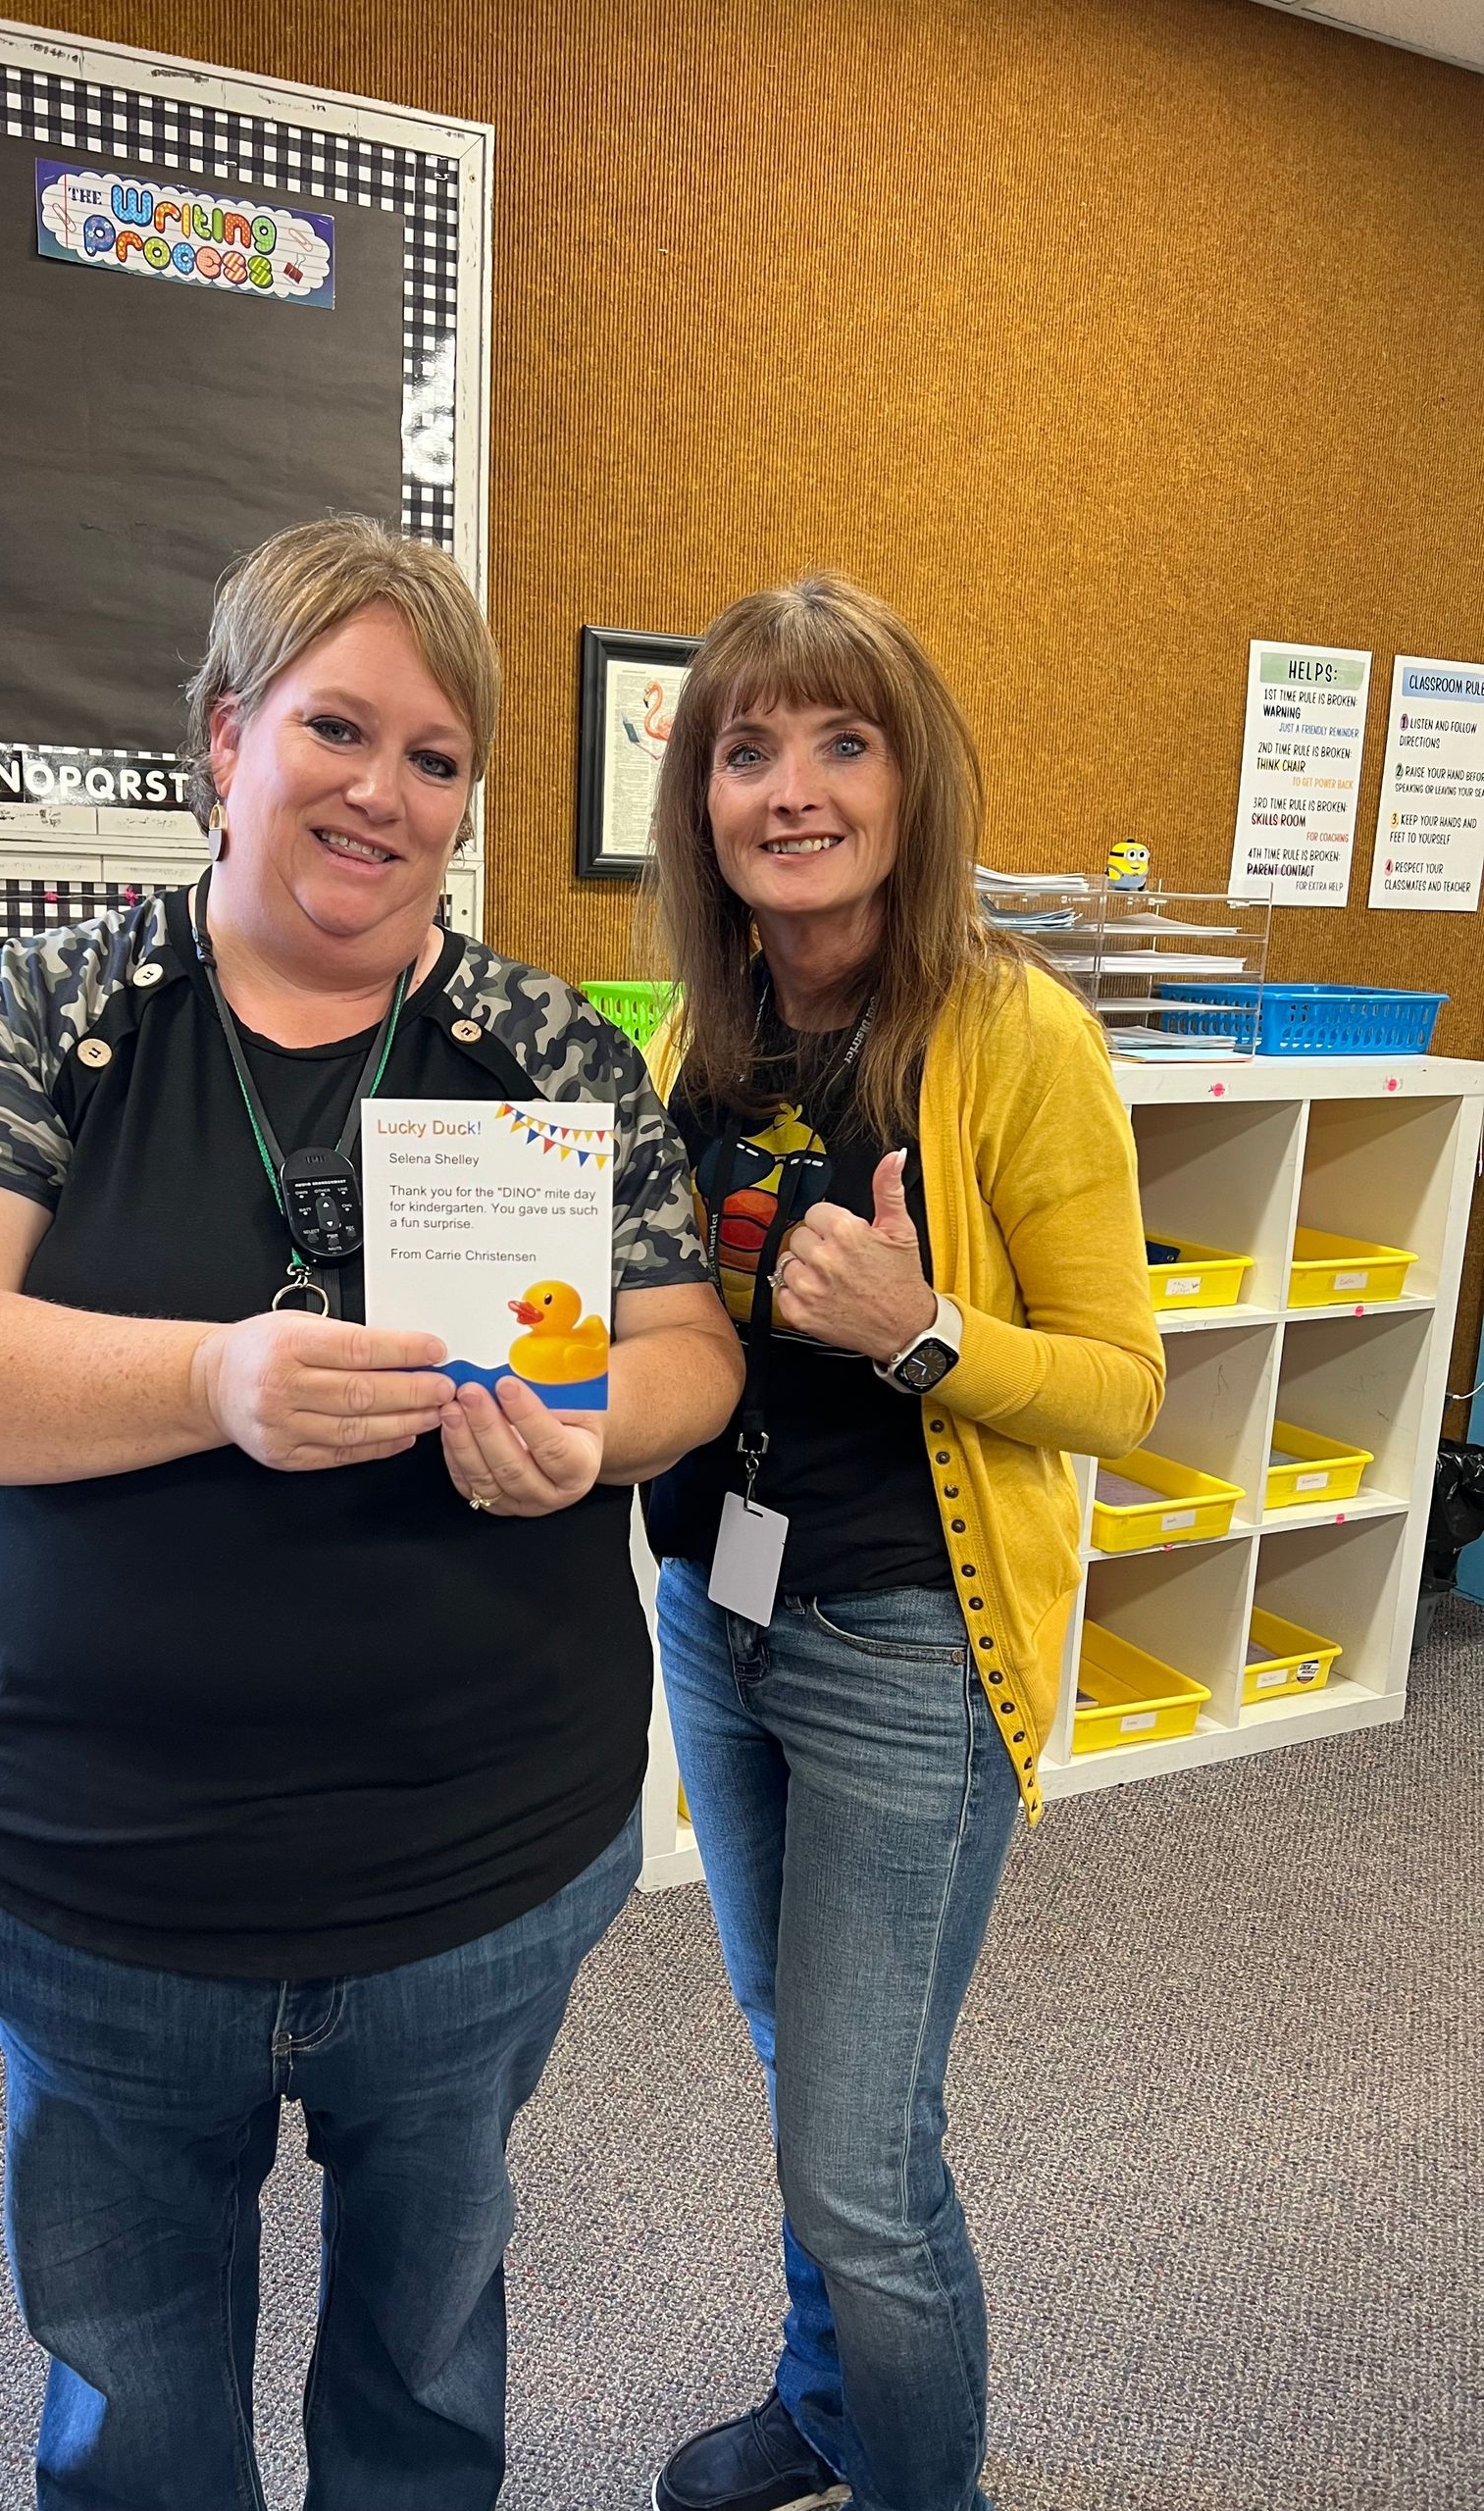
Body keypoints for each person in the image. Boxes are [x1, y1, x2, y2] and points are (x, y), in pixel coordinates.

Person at [0, 514, 742, 2511]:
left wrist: (592, 1439)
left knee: (425, 2350)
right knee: (134, 2366)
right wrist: (208, 1379)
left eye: (437, 759)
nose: (384, 791)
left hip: (475, 1867)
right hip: (103, 1873)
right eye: (339, 726)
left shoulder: (547, 1048)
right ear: (230, 735)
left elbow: (688, 1348)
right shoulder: (52, 1013)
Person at [640, 574, 1163, 2511]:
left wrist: (919, 1327)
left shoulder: (1014, 1029)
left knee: (863, 2150)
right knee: (808, 2074)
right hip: (720, 1601)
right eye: (750, 748)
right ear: (700, 797)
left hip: (903, 1646)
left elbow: (1125, 1383)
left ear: (907, 775)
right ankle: (831, 2398)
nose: (794, 788)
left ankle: (913, 2480)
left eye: (841, 741)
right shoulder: (704, 1030)